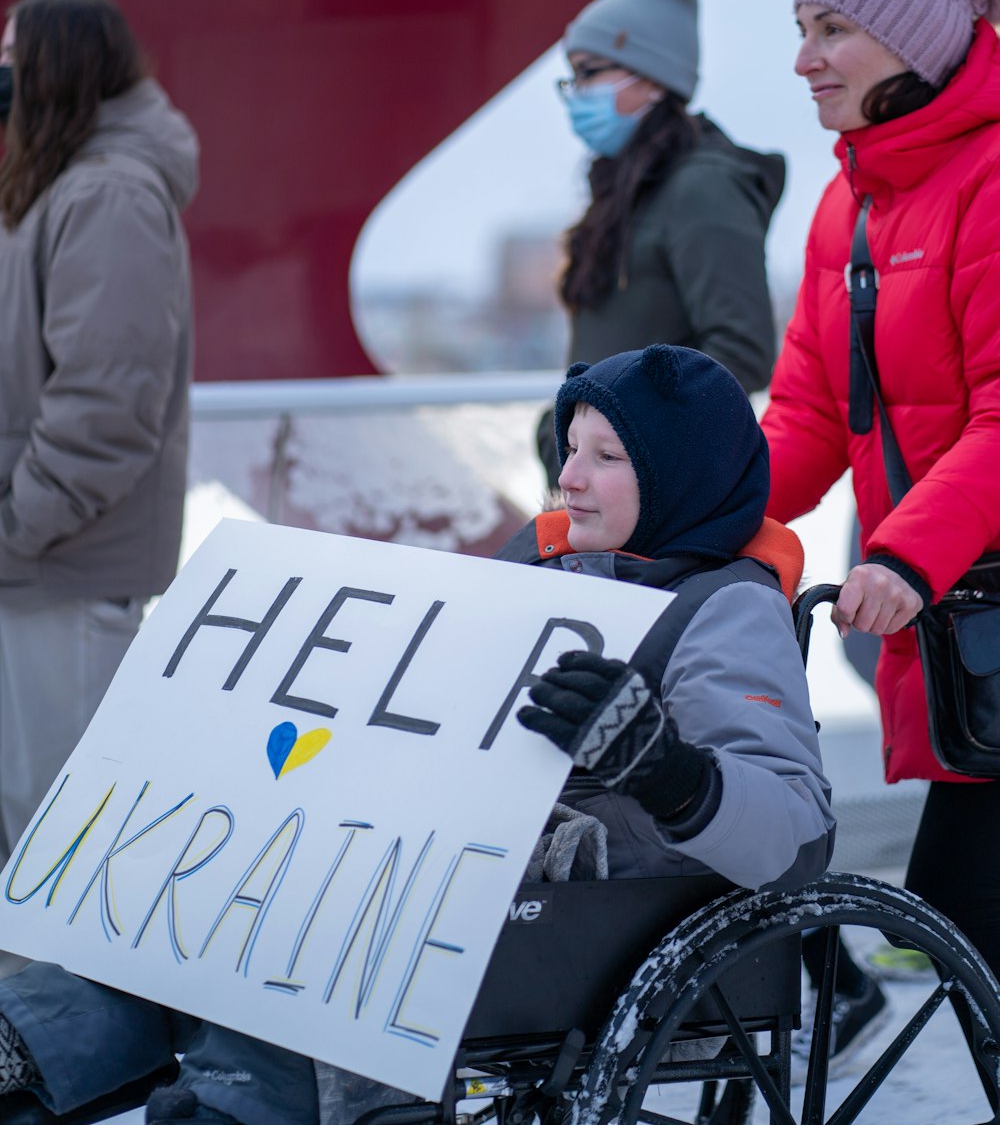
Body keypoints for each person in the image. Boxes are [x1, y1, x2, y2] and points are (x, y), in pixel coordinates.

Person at [0, 345, 834, 1123]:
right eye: (567, 449)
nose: (569, 479)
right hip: (451, 861)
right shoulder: (540, 563)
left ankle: (240, 1102)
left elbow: (795, 835)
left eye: (606, 459)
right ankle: (29, 1049)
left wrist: (665, 768)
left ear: (680, 473)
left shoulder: (724, 609)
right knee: (199, 899)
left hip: (583, 908)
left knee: (290, 944)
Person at [762, 0, 1000, 1052]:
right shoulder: (847, 203)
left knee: (972, 913)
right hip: (966, 623)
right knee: (965, 921)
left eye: (831, 30)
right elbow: (807, 419)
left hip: (956, 588)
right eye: (801, 32)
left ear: (911, 43)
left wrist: (903, 555)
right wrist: (669, 523)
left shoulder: (992, 180)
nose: (804, 59)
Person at [0, 0, 198, 868]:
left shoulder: (108, 198)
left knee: (61, 845)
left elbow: (106, 409)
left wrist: (16, 528)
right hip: (34, 568)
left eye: (13, 57)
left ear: (60, 68)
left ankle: (56, 1010)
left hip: (61, 570)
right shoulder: (59, 186)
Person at [537, 0, 785, 487]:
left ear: (651, 79)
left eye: (589, 73)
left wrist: (618, 434)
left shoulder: (703, 185)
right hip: (609, 482)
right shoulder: (630, 184)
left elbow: (742, 351)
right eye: (571, 77)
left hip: (654, 490)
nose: (576, 93)